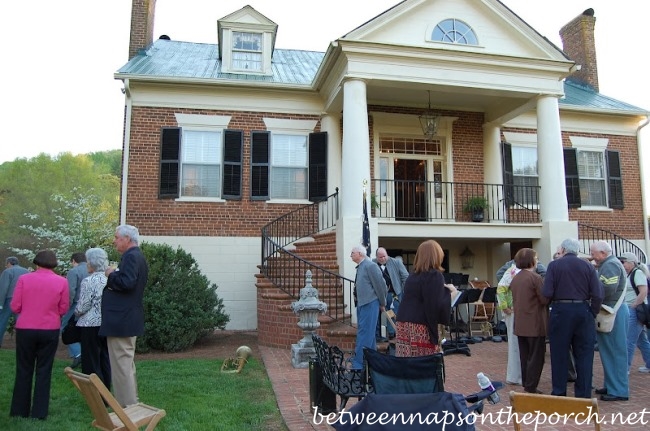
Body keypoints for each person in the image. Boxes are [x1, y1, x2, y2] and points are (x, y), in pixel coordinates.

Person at [10, 250, 68, 419]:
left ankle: (19, 410)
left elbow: (15, 306)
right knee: (44, 369)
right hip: (49, 329)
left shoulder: (24, 279)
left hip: (26, 328)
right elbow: (63, 308)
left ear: (36, 263)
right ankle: (39, 412)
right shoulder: (61, 282)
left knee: (24, 368)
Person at [542, 238, 602, 398]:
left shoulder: (554, 265)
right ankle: (583, 394)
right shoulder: (588, 266)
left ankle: (559, 392)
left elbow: (547, 292)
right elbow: (597, 293)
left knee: (559, 353)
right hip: (583, 310)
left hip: (561, 310)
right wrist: (592, 312)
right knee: (584, 354)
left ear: (563, 249)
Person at [100, 225, 149, 406]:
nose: (114, 241)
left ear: (127, 239)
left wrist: (111, 274)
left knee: (121, 366)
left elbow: (127, 283)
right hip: (126, 318)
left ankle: (128, 407)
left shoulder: (131, 257)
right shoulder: (135, 256)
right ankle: (129, 404)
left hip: (122, 320)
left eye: (116, 237)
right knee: (125, 365)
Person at [395, 240, 451, 357]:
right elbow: (434, 305)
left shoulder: (412, 276)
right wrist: (451, 294)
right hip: (420, 327)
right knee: (423, 363)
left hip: (403, 324)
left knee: (406, 362)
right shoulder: (435, 276)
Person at [590, 241, 629, 401]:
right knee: (609, 351)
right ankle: (611, 384)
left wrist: (591, 290)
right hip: (612, 311)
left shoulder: (610, 265)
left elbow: (608, 288)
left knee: (615, 351)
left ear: (603, 253)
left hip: (614, 312)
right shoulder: (609, 264)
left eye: (594, 254)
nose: (592, 257)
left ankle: (618, 390)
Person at [510, 248, 549, 394]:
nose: (537, 261)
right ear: (531, 261)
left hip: (520, 323)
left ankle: (527, 382)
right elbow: (544, 299)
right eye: (536, 258)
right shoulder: (535, 278)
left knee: (525, 355)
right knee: (536, 356)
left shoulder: (516, 278)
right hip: (535, 323)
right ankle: (531, 385)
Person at [75, 248, 111, 390]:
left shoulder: (88, 281)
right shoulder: (111, 279)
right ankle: (106, 391)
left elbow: (83, 305)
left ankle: (95, 393)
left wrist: (76, 312)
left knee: (91, 361)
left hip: (90, 325)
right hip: (107, 324)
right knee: (105, 359)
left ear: (91, 262)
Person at [350, 245, 387, 369]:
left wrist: (382, 302)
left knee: (364, 334)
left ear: (360, 253)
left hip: (370, 304)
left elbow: (381, 286)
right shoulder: (361, 267)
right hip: (362, 304)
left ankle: (358, 364)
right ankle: (372, 362)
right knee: (368, 335)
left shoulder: (370, 266)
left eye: (352, 253)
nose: (351, 255)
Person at [618, 252, 650, 373]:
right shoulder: (629, 274)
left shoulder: (637, 273)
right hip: (632, 309)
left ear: (631, 263)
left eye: (625, 262)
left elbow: (643, 292)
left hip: (635, 310)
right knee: (642, 340)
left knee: (629, 340)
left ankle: (625, 368)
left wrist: (634, 305)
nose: (623, 265)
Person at [373, 247, 408, 341]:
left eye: (384, 256)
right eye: (380, 257)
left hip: (393, 293)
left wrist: (402, 291)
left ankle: (393, 334)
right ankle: (380, 336)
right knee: (379, 316)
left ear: (387, 255)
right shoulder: (372, 263)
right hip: (378, 295)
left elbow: (405, 277)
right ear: (376, 257)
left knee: (393, 314)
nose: (383, 259)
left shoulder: (396, 262)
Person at [496, 262, 522, 385]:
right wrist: (505, 307)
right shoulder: (513, 271)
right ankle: (515, 376)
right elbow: (501, 289)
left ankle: (519, 375)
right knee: (515, 344)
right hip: (513, 312)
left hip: (519, 311)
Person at [62, 252, 88, 368]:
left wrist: (66, 306)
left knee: (66, 329)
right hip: (89, 306)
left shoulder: (74, 271)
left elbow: (71, 291)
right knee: (83, 331)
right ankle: (81, 355)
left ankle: (78, 353)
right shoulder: (91, 269)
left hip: (75, 305)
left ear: (73, 261)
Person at [0, 257, 29, 347]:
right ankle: (24, 344)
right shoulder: (26, 272)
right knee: (21, 322)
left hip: (9, 299)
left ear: (9, 263)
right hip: (22, 300)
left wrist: (0, 303)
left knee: (2, 321)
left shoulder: (7, 272)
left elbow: (3, 288)